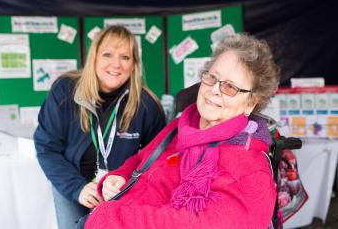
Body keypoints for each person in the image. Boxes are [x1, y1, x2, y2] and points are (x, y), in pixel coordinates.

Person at [83, 33, 280, 229]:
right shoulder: (179, 126)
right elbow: (140, 160)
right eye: (212, 77)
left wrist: (111, 218)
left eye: (230, 87)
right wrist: (118, 177)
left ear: (251, 103)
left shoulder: (249, 166)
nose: (214, 90)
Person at [34, 25, 166, 229]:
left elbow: (158, 160)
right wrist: (77, 188)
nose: (116, 64)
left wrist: (127, 183)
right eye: (107, 54)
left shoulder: (146, 104)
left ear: (134, 64)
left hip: (120, 191)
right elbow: (47, 148)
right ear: (94, 58)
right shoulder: (65, 91)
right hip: (73, 186)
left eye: (125, 57)